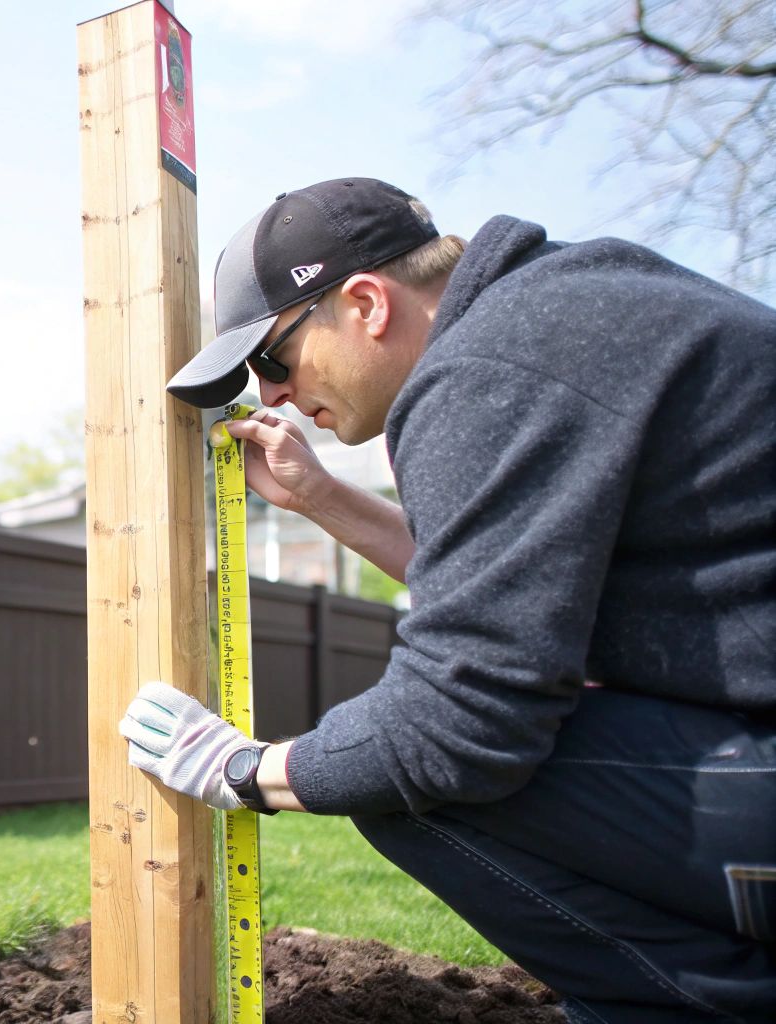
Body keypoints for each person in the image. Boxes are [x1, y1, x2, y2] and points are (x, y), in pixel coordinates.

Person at [118, 177, 776, 1023]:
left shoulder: (489, 370)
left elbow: (460, 726)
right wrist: (324, 500)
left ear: (364, 303)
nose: (272, 394)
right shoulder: (560, 315)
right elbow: (515, 596)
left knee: (411, 787)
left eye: (272, 359)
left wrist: (245, 771)